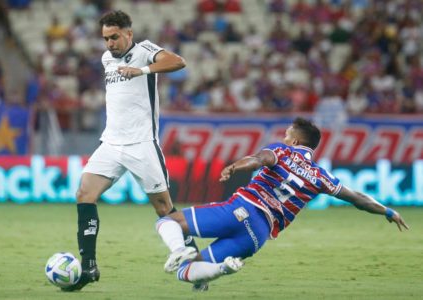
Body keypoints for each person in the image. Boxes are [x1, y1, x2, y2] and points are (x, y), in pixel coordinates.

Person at [155, 117, 409, 290]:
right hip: (258, 236)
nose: (284, 137)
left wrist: (234, 166)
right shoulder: (322, 176)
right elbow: (358, 199)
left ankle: (178, 250)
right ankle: (221, 269)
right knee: (194, 268)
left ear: (296, 142)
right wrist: (387, 210)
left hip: (240, 211)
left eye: (287, 135)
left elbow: (258, 159)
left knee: (168, 222)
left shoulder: (283, 152)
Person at [62, 10, 198, 292]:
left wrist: (143, 70)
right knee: (84, 194)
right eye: (105, 39)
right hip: (111, 143)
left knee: (164, 209)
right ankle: (89, 267)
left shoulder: (144, 50)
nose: (110, 43)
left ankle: (196, 267)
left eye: (114, 37)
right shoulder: (105, 59)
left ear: (128, 34)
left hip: (141, 144)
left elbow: (178, 61)